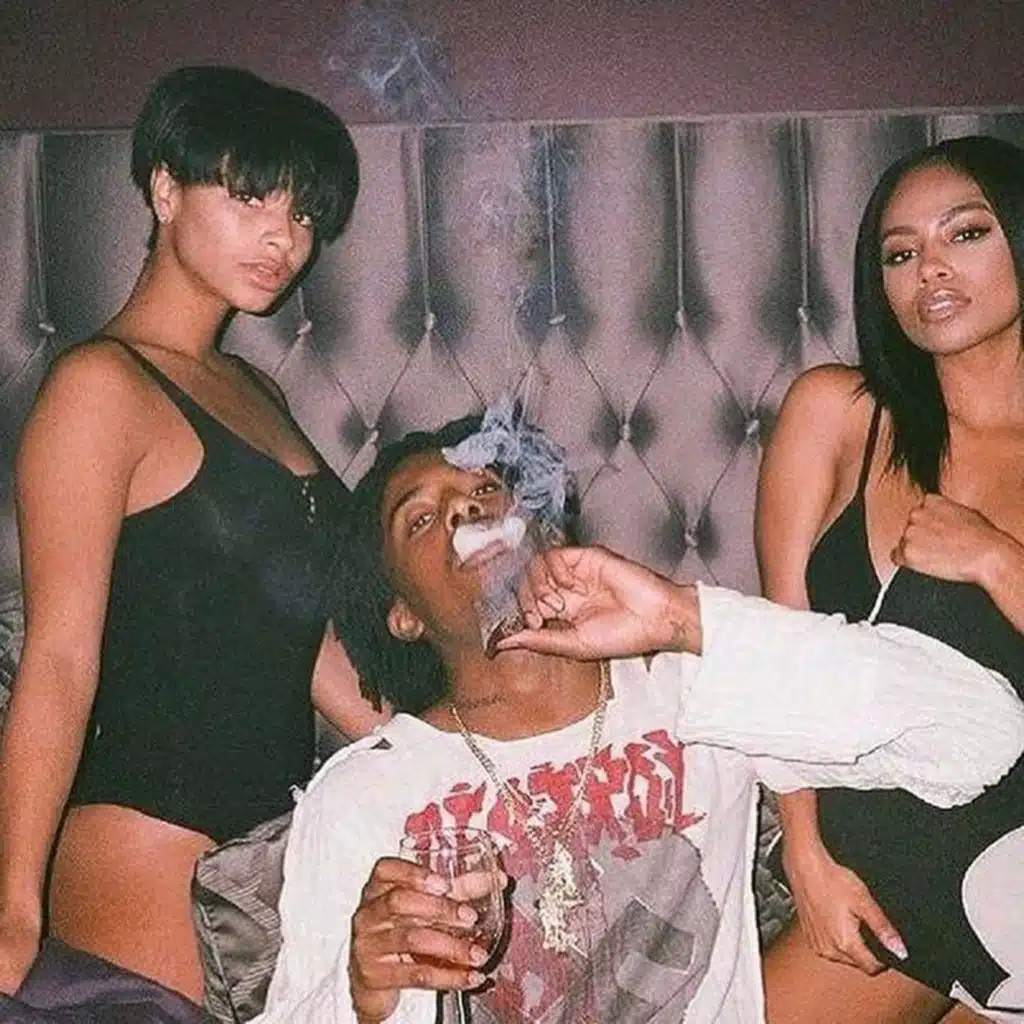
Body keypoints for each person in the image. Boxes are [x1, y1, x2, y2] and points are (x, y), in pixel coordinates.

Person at [254, 412, 1024, 1023]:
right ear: (403, 614)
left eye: (487, 487)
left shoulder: (685, 688)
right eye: (420, 519)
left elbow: (980, 735)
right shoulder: (365, 794)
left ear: (545, 526)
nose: (466, 506)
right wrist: (362, 997)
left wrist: (683, 619)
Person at [0, 65, 389, 1005]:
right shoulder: (99, 386)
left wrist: (459, 753)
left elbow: (300, 638)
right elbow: (58, 659)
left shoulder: (257, 391)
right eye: (251, 197)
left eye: (304, 214)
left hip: (273, 844)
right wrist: (13, 907)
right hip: (146, 841)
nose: (283, 239)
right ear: (164, 188)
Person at [757, 134, 1024, 1023]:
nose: (929, 270)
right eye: (900, 254)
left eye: (967, 233)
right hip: (878, 893)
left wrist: (993, 557)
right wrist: (805, 856)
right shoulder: (838, 415)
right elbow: (780, 653)